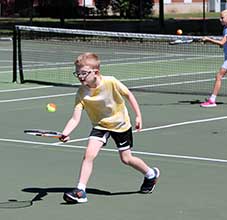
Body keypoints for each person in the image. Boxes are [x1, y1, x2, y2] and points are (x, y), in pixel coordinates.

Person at [60, 52, 160, 203]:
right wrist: (66, 132)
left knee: (126, 159)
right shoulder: (81, 93)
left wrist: (138, 115)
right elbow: (75, 118)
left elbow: (128, 95)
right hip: (100, 125)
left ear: (96, 72)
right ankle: (81, 190)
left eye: (84, 73)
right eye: (78, 73)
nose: (80, 77)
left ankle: (151, 174)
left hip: (121, 124)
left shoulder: (111, 82)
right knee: (89, 155)